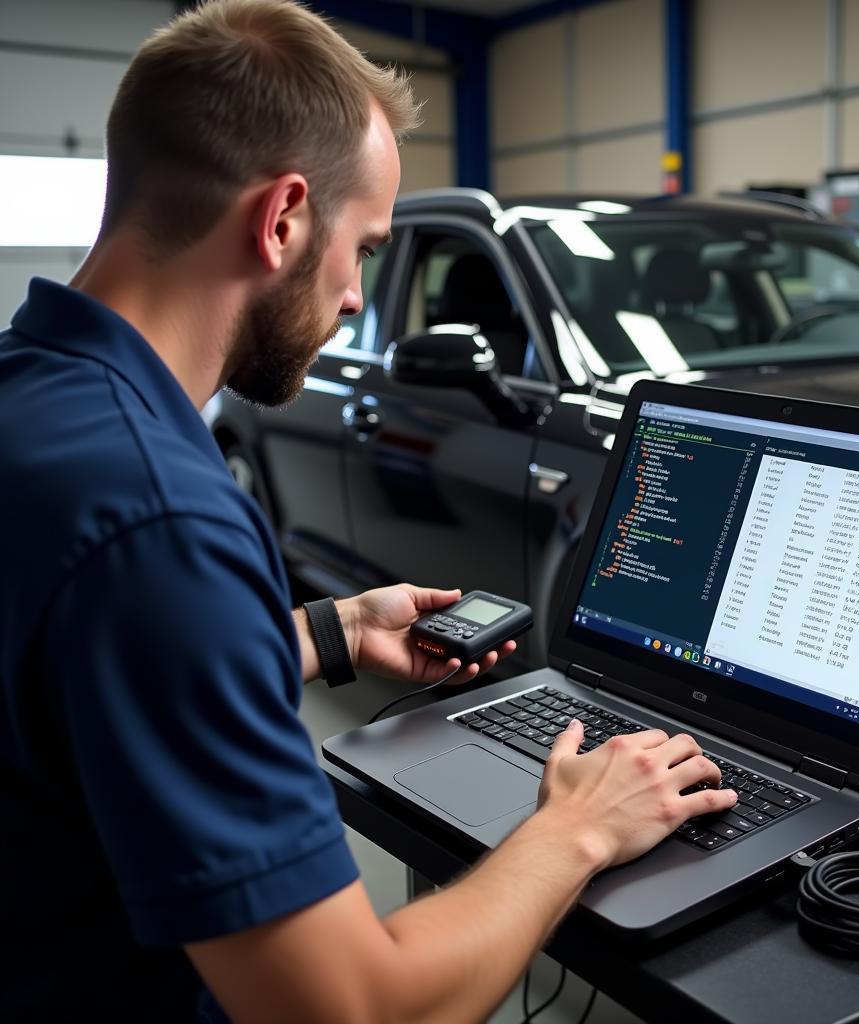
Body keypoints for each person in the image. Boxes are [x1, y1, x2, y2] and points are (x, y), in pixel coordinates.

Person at [0, 2, 737, 1021]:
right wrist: (580, 825)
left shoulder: (32, 394)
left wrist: (328, 630)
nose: (355, 298)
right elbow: (352, 1008)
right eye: (367, 248)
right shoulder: (164, 520)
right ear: (284, 218)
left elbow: (72, 669)